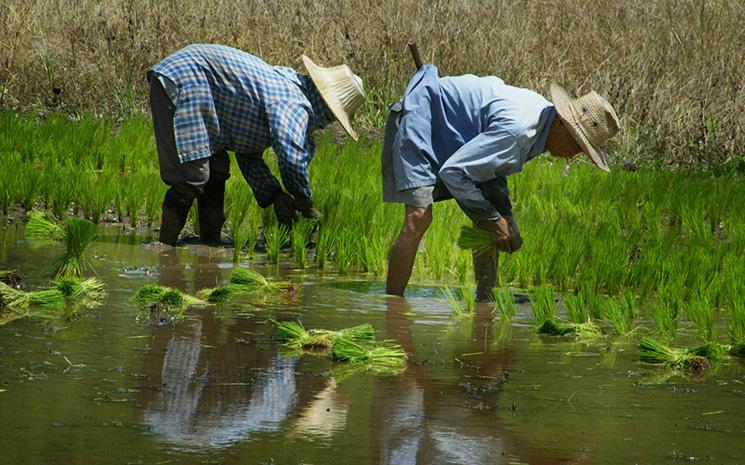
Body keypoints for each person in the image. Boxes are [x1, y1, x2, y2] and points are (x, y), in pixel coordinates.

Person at [382, 64, 620, 299]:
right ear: (561, 123)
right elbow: (453, 173)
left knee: (494, 216)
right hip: (423, 116)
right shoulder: (520, 131)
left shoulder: (540, 123)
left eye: (580, 150)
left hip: (459, 133)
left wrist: (503, 215)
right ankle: (393, 309)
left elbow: (492, 170)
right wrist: (493, 220)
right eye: (575, 144)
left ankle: (486, 298)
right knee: (419, 217)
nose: (572, 155)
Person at [148, 44, 365, 246]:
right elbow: (292, 158)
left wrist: (274, 195)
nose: (327, 123)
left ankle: (208, 246)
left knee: (217, 171)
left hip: (200, 88)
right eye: (332, 118)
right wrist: (304, 201)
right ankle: (165, 250)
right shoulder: (293, 102)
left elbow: (248, 154)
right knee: (193, 178)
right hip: (185, 79)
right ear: (328, 109)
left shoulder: (286, 88)